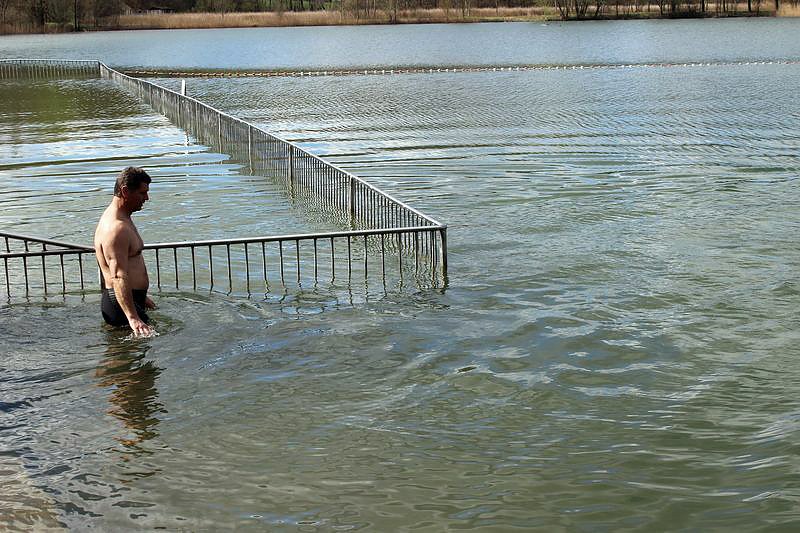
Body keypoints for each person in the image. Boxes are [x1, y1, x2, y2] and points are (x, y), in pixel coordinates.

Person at [94, 167, 156, 336]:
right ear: (125, 191)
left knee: (141, 348)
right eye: (142, 193)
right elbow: (117, 275)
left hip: (127, 300)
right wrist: (133, 317)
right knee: (135, 348)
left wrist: (141, 298)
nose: (146, 198)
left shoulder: (122, 218)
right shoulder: (116, 228)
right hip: (120, 306)